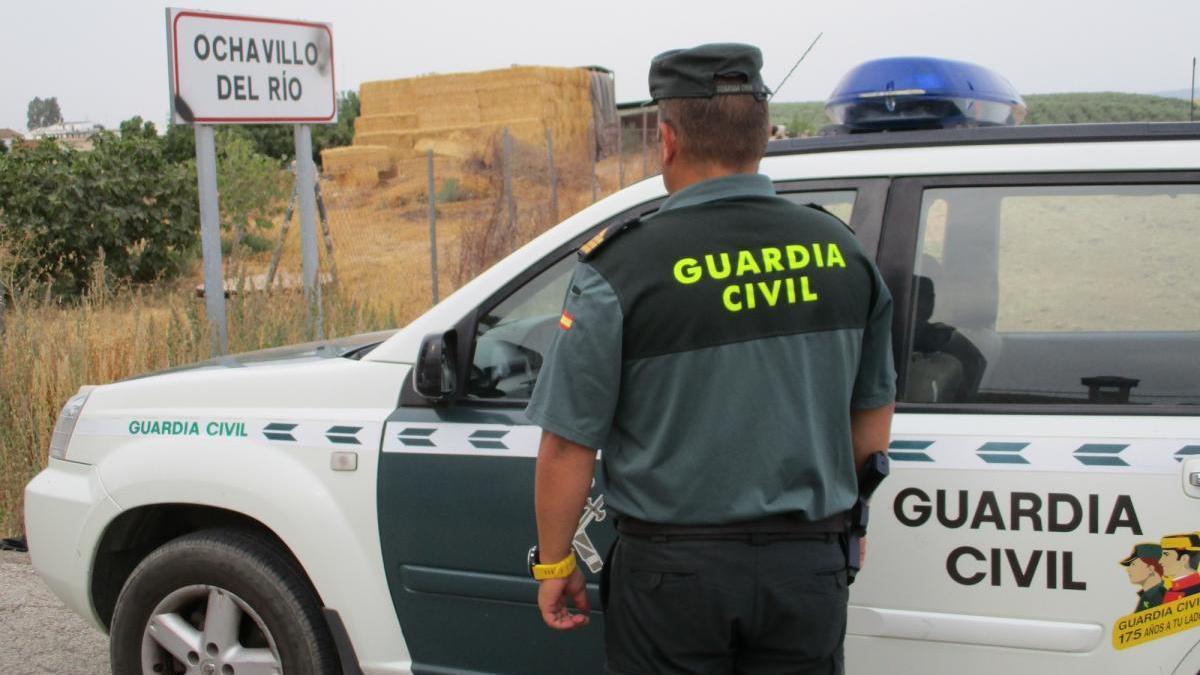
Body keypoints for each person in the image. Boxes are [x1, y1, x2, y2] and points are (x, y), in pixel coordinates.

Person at [525, 42, 896, 674]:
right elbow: (873, 413)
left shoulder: (621, 266)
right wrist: (845, 531)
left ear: (666, 140)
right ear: (762, 137)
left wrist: (556, 563)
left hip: (674, 577)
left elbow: (568, 446)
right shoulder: (842, 251)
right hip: (807, 569)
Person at [1119, 543, 1166, 612]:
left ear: (1150, 569)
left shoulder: (1161, 597)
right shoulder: (1147, 596)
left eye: (1133, 564)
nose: (1128, 569)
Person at [1160, 533, 1200, 603]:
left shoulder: (1196, 590)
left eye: (1166, 555)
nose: (1160, 561)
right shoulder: (1171, 591)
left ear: (1184, 559)